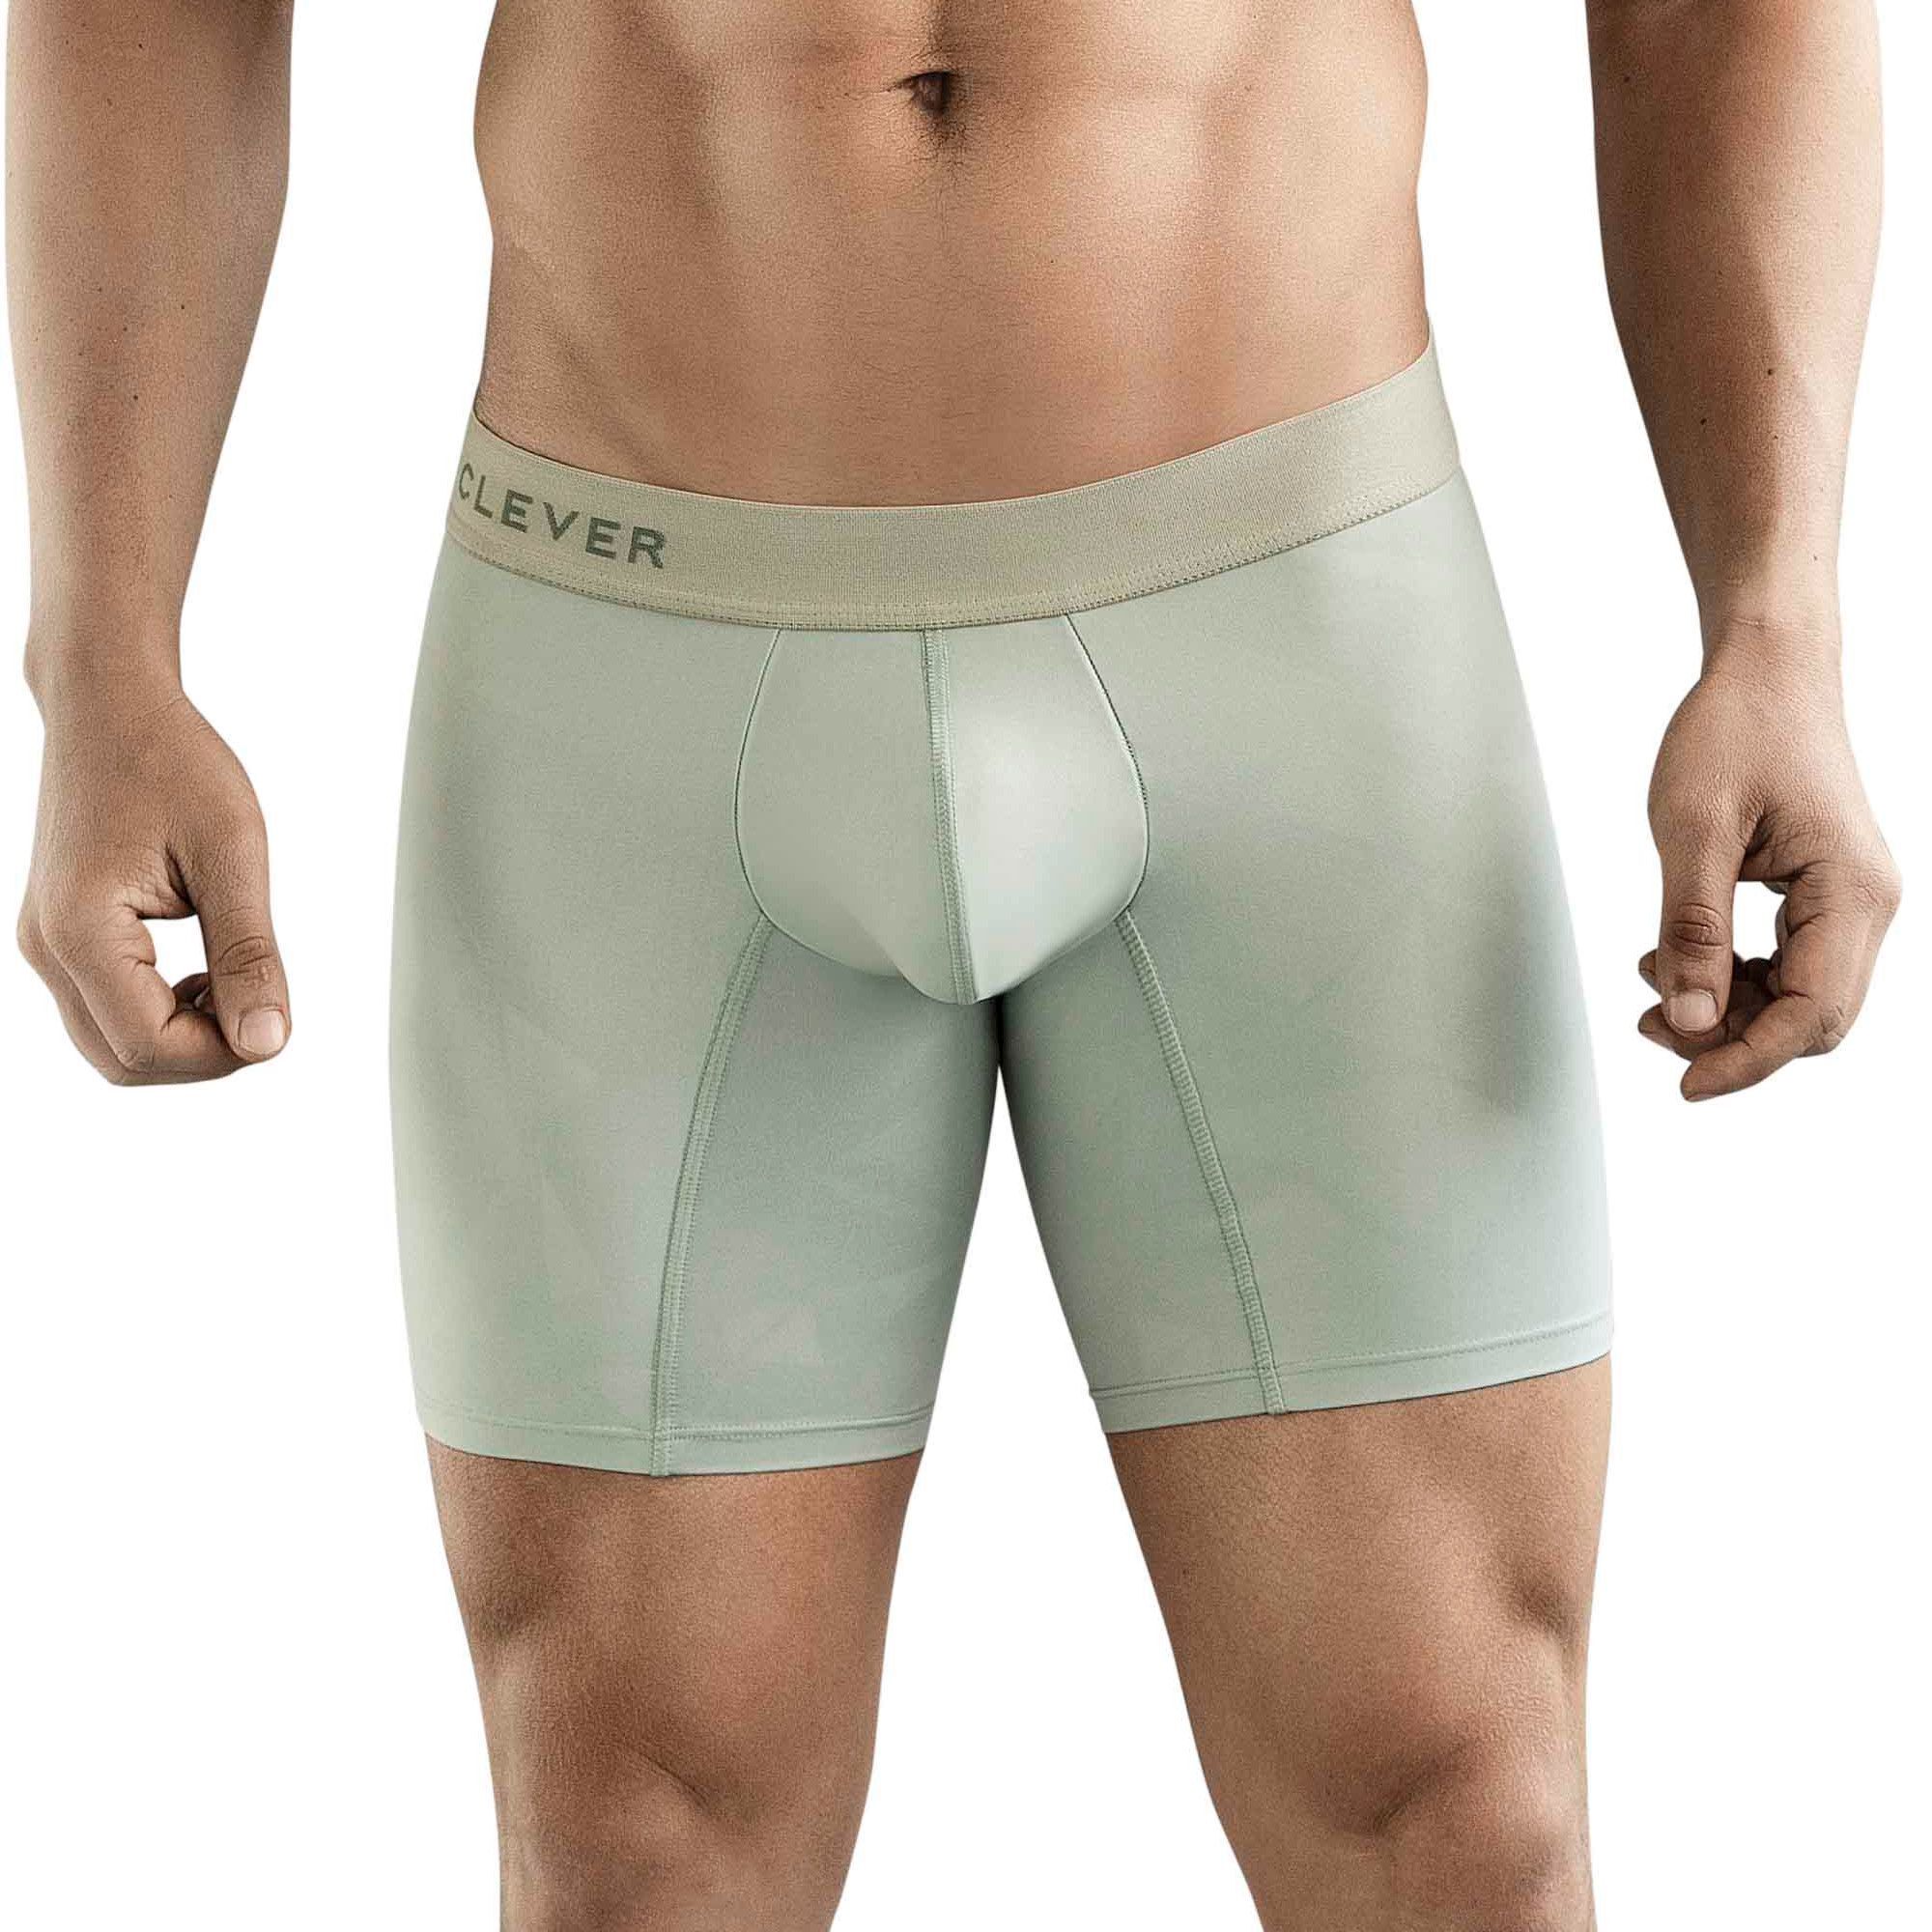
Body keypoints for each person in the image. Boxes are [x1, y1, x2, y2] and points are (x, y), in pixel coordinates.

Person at [9, 2, 1900, 1926]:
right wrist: (102, 658)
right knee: (637, 1845)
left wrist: (1776, 624)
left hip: (1294, 644)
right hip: (632, 662)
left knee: (1457, 1806)